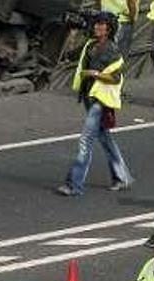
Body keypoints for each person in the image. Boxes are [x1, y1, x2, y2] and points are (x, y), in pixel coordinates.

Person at [57, 11, 134, 197]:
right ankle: (122, 177)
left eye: (102, 25)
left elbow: (116, 78)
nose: (98, 27)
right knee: (105, 138)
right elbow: (69, 54)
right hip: (89, 97)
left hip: (101, 100)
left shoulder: (112, 49)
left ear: (109, 29)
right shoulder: (90, 45)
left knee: (86, 141)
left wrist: (95, 74)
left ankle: (74, 184)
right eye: (96, 24)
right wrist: (73, 33)